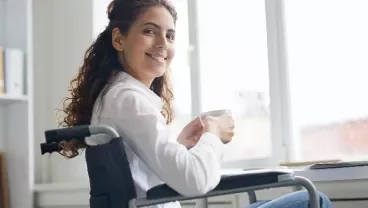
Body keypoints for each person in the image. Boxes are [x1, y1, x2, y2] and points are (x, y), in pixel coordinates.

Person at [57, 0, 333, 207]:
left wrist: (180, 146)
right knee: (312, 199)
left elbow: (138, 179)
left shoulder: (115, 97)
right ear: (119, 39)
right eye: (150, 31)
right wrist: (212, 134)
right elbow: (195, 181)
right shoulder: (128, 99)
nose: (163, 43)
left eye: (170, 35)